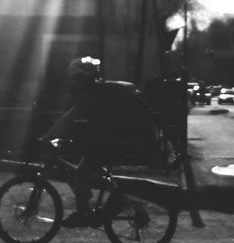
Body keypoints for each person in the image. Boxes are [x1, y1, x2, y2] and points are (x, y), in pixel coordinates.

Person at [39, 56, 159, 227]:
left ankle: (83, 214)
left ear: (81, 78)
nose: (73, 82)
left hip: (117, 139)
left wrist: (46, 137)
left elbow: (68, 119)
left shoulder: (89, 96)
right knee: (90, 165)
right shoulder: (100, 90)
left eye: (75, 78)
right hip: (122, 137)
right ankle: (115, 199)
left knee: (81, 173)